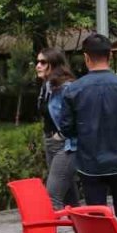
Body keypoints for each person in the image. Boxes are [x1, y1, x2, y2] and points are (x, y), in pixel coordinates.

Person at [60, 34, 117, 233]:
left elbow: (66, 128)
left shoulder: (74, 90)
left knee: (96, 214)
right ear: (110, 55)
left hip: (90, 164)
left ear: (86, 57)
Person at [36, 48, 80, 209]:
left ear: (54, 65)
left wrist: (61, 135)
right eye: (37, 62)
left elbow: (78, 116)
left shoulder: (66, 87)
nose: (38, 66)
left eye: (43, 62)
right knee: (71, 200)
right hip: (51, 143)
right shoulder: (47, 87)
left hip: (66, 146)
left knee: (52, 198)